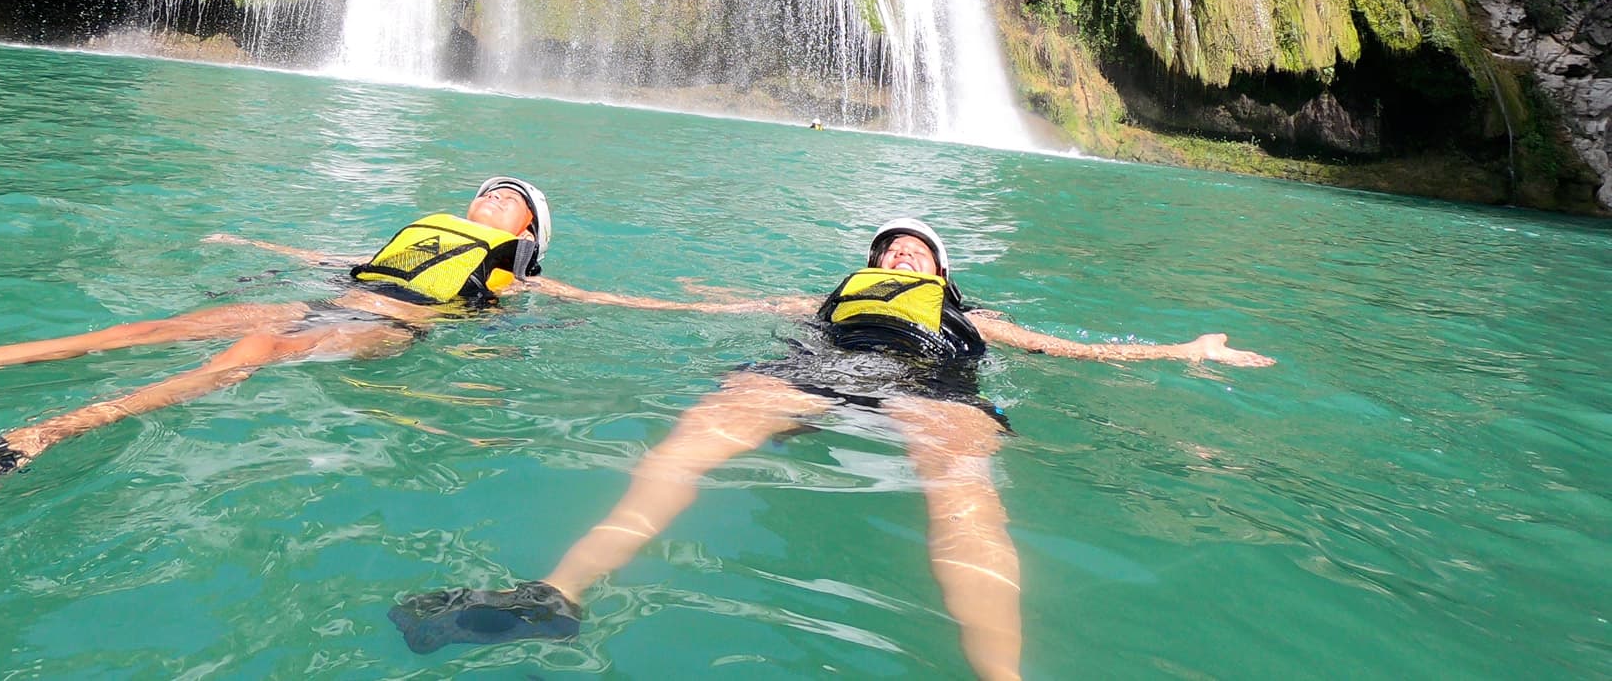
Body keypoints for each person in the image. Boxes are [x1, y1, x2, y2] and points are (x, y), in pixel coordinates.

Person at [394, 217, 1275, 681]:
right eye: (889, 246)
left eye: (916, 249)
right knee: (687, 445)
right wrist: (598, 297)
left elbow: (1073, 350)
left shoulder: (978, 316)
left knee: (965, 500)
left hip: (932, 388)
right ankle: (555, 593)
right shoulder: (820, 307)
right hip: (816, 373)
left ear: (941, 274)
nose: (900, 250)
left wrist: (1183, 351)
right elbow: (698, 312)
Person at [0, 175, 649, 492]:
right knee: (137, 330)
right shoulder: (426, 233)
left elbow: (620, 308)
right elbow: (329, 256)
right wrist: (251, 248)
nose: (498, 197)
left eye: (515, 200)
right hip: (326, 298)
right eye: (491, 191)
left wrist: (733, 308)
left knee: (249, 356)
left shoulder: (521, 275)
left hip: (391, 330)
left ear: (531, 235)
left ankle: (3, 449)